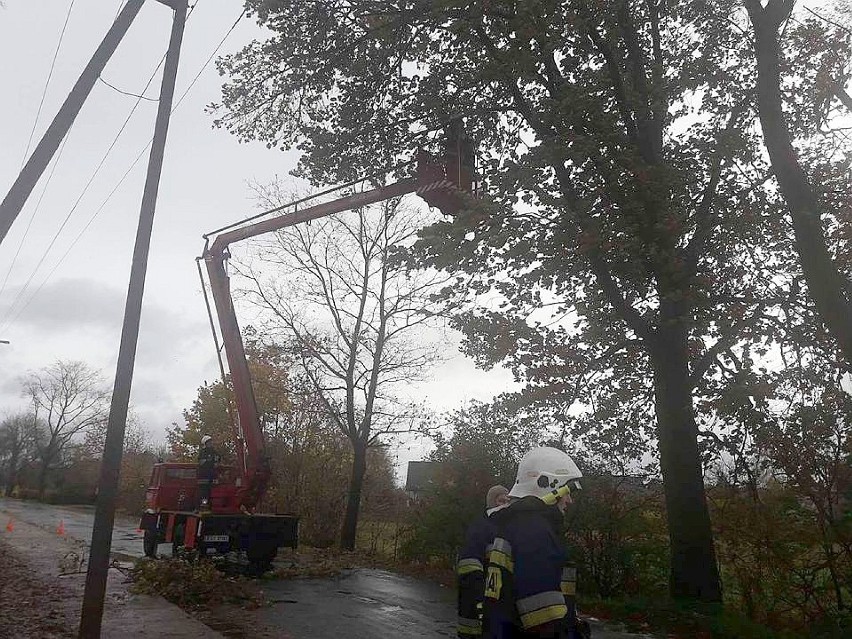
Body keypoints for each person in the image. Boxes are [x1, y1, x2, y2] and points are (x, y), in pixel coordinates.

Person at [482, 447, 588, 639]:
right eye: (568, 492)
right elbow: (545, 621)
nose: (570, 501)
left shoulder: (516, 524)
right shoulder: (534, 531)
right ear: (548, 486)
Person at [457, 485, 511, 637]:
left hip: (497, 602)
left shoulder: (507, 529)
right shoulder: (481, 528)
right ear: (492, 502)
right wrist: (479, 597)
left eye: (508, 501)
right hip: (476, 601)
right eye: (501, 501)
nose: (505, 505)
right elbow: (468, 565)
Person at [197, 434, 220, 510]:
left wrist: (215, 462)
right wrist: (210, 461)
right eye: (208, 442)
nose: (210, 443)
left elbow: (218, 458)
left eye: (211, 442)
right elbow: (201, 462)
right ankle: (204, 505)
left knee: (213, 492)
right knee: (204, 492)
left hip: (212, 476)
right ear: (205, 444)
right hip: (204, 476)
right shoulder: (202, 452)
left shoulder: (214, 452)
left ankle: (213, 505)